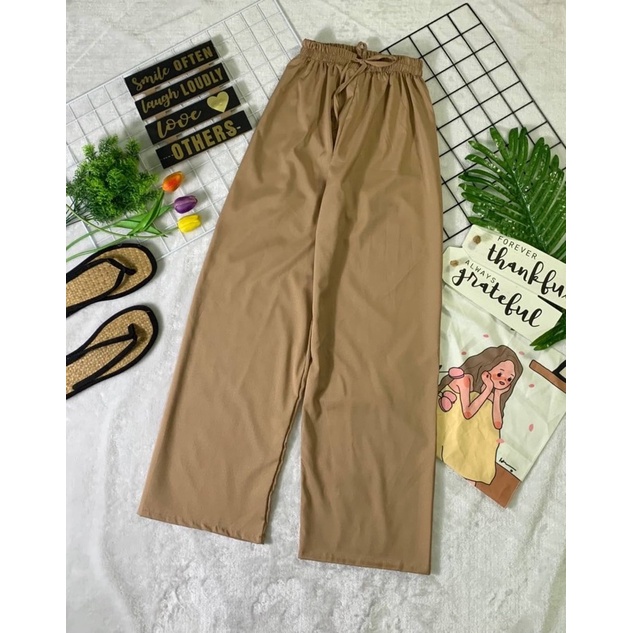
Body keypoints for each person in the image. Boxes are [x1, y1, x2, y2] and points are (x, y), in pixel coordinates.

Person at [436, 345, 522, 484]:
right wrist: (487, 390)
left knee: (488, 424)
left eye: (509, 379)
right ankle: (464, 463)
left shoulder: (493, 393)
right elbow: (467, 413)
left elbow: (497, 424)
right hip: (443, 423)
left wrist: (497, 396)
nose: (503, 380)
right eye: (500, 374)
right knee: (481, 415)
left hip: (465, 431)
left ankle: (472, 468)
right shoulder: (466, 379)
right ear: (488, 366)